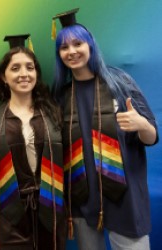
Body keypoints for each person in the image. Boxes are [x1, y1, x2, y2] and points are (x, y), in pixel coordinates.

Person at [52, 8, 159, 250]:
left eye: (78, 43)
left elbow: (151, 137)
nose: (72, 51)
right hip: (82, 198)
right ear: (59, 54)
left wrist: (142, 125)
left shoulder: (120, 83)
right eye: (64, 47)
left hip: (126, 197)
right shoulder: (61, 96)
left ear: (90, 45)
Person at [0, 35, 67, 250]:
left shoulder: (53, 112)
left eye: (29, 67)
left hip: (51, 205)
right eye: (15, 68)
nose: (24, 74)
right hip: (10, 209)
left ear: (36, 73)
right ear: (4, 76)